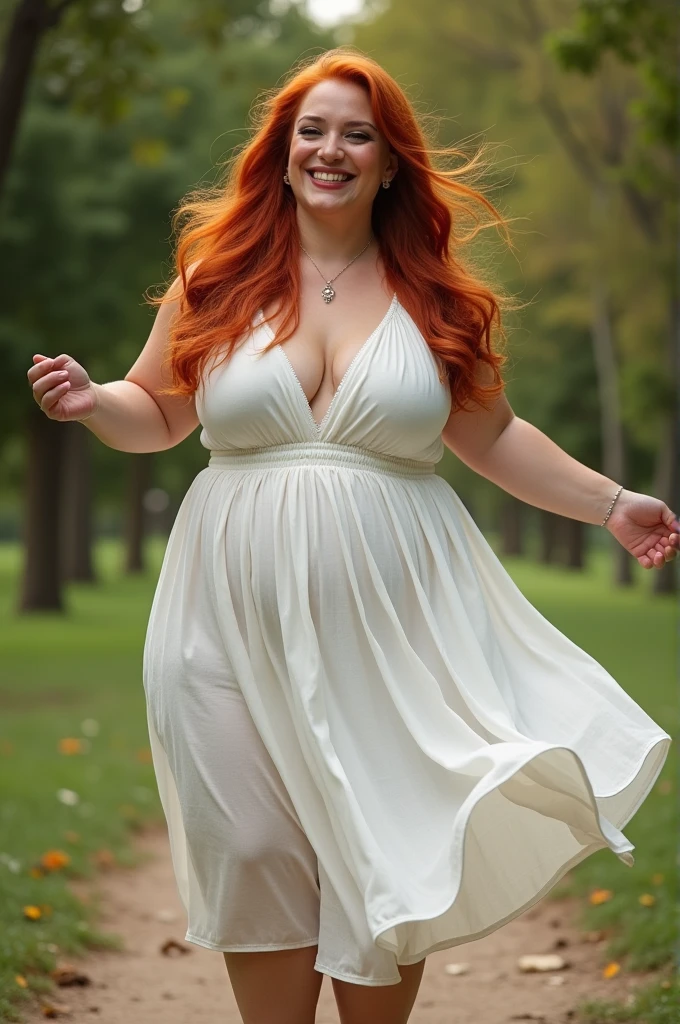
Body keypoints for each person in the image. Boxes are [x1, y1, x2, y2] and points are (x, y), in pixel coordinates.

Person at [27, 48, 676, 1024]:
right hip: (222, 615)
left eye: (355, 133)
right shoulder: (217, 276)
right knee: (250, 846)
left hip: (392, 629)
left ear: (388, 162)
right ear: (283, 151)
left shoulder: (436, 297)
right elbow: (156, 411)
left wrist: (607, 500)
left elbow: (490, 434)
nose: (330, 148)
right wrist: (91, 403)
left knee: (385, 845)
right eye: (312, 129)